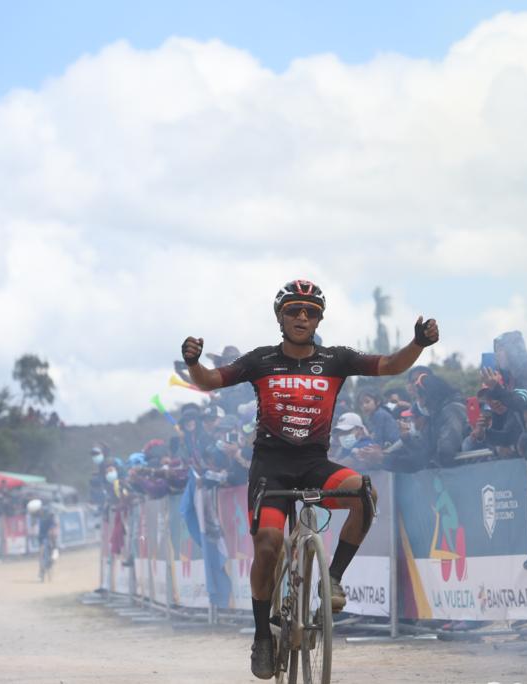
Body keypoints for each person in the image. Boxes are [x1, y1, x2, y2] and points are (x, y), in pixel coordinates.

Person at [180, 278, 439, 679]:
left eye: (311, 311)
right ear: (279, 316)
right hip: (270, 467)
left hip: (316, 463)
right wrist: (195, 363)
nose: (303, 317)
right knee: (267, 546)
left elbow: (388, 364)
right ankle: (262, 636)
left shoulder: (336, 358)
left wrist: (418, 344)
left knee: (363, 494)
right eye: (294, 310)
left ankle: (332, 578)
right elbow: (210, 381)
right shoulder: (260, 360)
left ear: (319, 318)